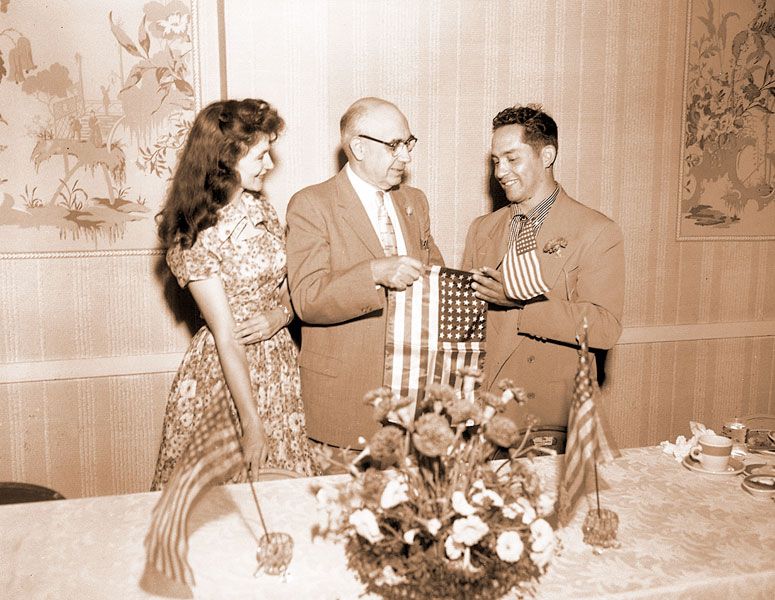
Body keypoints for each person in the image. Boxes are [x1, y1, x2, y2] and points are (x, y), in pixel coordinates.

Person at [151, 99, 315, 490]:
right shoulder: (194, 232)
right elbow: (226, 335)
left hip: (278, 367)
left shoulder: (261, 209)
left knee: (284, 497)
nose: (270, 165)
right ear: (227, 158)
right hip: (226, 377)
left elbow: (288, 287)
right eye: (260, 155)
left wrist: (282, 316)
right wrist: (252, 424)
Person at [286, 97, 444, 450]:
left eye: (408, 143)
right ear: (358, 146)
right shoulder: (312, 204)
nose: (406, 156)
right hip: (343, 404)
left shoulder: (414, 202)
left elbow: (435, 281)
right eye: (394, 146)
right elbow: (307, 300)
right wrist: (373, 273)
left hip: (411, 409)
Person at [462, 104, 624, 431]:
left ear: (546, 156)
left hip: (548, 418)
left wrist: (523, 302)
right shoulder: (482, 229)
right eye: (496, 161)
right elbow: (466, 323)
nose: (500, 172)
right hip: (484, 413)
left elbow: (605, 328)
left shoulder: (596, 230)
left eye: (512, 158)